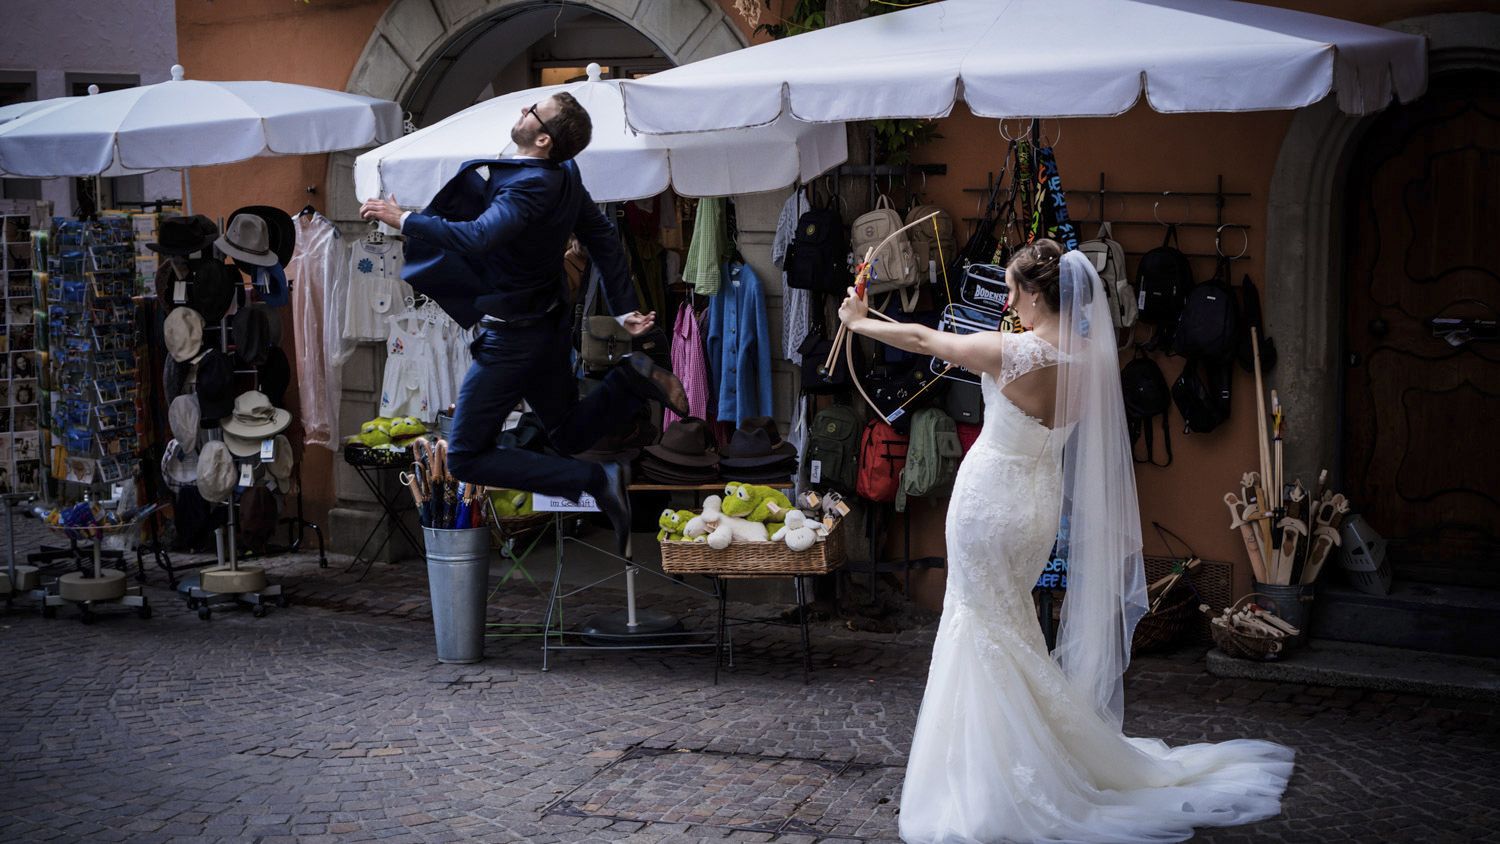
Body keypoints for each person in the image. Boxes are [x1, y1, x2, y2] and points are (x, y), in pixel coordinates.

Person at [838, 240, 1294, 843]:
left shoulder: (1011, 352)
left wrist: (860, 320)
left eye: (1011, 290)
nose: (1006, 300)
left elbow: (926, 342)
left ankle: (992, 781)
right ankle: (1023, 753)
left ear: (1034, 294)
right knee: (1008, 623)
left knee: (979, 621)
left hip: (990, 500)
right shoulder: (1090, 358)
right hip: (1037, 507)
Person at [360, 92, 687, 555]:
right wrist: (622, 308)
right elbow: (603, 240)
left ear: (543, 137)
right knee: (569, 432)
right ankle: (630, 382)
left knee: (469, 457)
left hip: (512, 339)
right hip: (545, 328)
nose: (522, 111)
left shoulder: (529, 186)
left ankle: (593, 477)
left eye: (532, 111)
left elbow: (479, 237)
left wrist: (405, 220)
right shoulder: (564, 173)